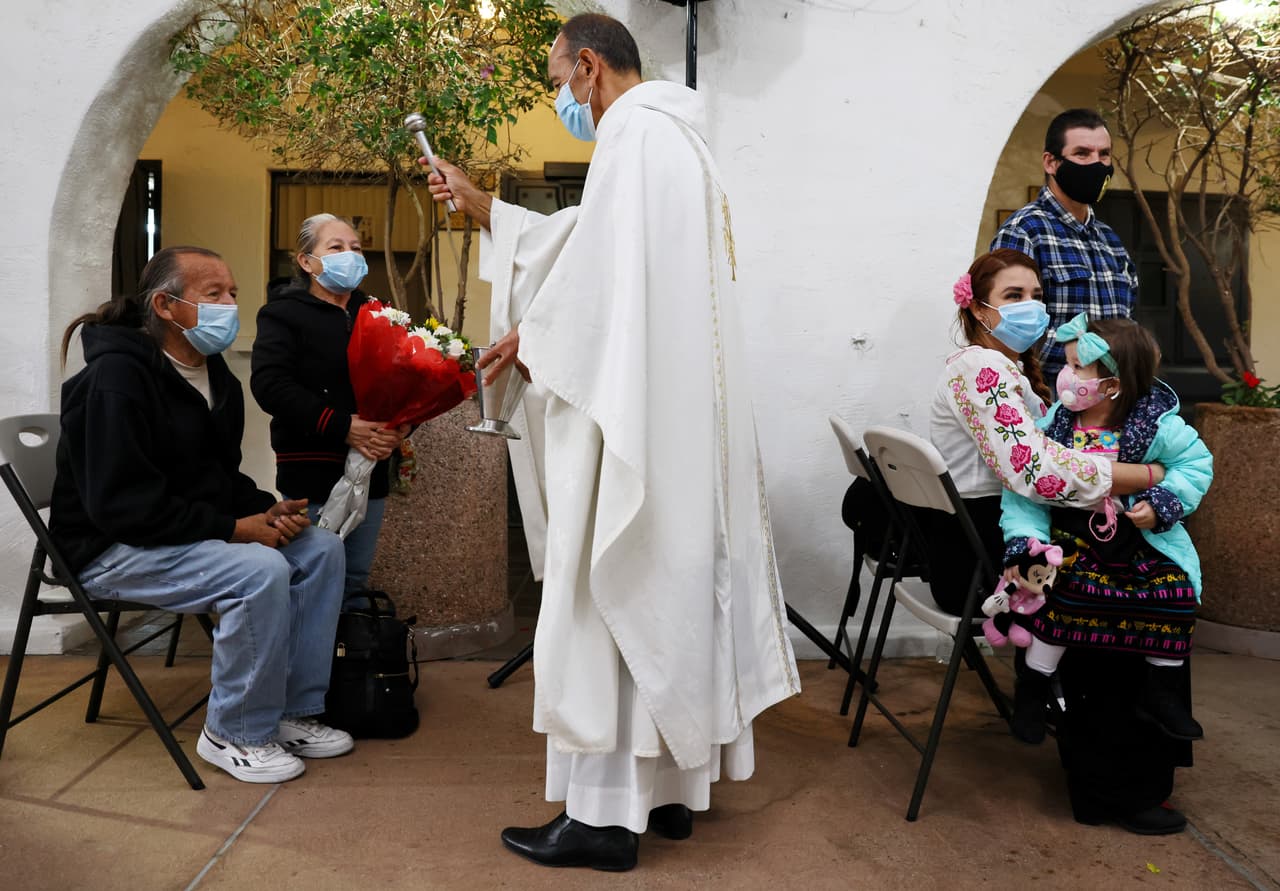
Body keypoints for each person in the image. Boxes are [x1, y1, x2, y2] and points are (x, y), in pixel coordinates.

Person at [425, 14, 799, 871]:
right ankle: (667, 793)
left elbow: (598, 290)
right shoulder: (677, 142)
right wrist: (487, 209)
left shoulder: (633, 141)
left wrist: (534, 336)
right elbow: (604, 261)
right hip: (671, 418)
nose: (563, 99)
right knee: (660, 585)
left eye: (560, 82)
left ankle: (600, 818)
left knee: (611, 587)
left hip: (629, 417)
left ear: (588, 66)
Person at [51, 246, 354, 784]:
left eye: (232, 293)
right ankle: (233, 731)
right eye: (213, 295)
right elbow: (122, 506)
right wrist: (237, 531)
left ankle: (289, 709)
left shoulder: (217, 379)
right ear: (166, 306)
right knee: (258, 571)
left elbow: (217, 481)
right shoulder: (116, 380)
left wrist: (265, 509)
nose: (229, 305)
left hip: (174, 532)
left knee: (321, 548)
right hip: (109, 548)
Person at [933, 249, 1195, 836]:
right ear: (978, 309)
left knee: (1149, 579)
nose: (1031, 308)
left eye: (1035, 294)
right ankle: (1112, 778)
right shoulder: (983, 370)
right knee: (1115, 596)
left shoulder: (1007, 369)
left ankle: (1121, 752)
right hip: (997, 540)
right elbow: (1034, 474)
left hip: (1004, 526)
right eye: (1013, 297)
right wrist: (1145, 475)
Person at [1000, 313, 1211, 747]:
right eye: (1068, 363)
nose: (1065, 375)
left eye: (1078, 368)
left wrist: (1162, 504)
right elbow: (1026, 492)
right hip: (1072, 536)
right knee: (1064, 595)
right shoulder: (1056, 427)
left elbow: (1195, 464)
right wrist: (1027, 545)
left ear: (1111, 386)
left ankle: (1162, 691)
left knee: (1175, 595)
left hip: (1139, 539)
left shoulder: (1155, 426)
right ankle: (1033, 688)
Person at [251, 213, 410, 593]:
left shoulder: (378, 314)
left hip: (371, 467)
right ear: (307, 261)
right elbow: (270, 385)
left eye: (355, 248)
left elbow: (408, 381)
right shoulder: (283, 314)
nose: (349, 255)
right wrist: (343, 427)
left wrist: (399, 429)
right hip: (313, 470)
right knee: (314, 575)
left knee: (355, 578)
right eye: (336, 247)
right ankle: (308, 653)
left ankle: (346, 652)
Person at [992, 108, 1138, 378]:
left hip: (1113, 402)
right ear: (1051, 163)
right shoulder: (1023, 232)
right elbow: (1008, 330)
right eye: (1082, 153)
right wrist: (1086, 356)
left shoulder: (1112, 243)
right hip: (1050, 402)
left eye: (1104, 154)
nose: (1097, 164)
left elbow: (1127, 326)